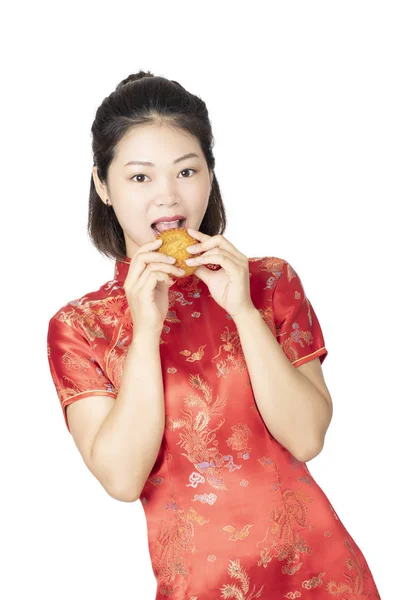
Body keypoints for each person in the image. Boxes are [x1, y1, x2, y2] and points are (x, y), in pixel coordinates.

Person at [46, 70, 381, 599]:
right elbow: (122, 478)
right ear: (102, 186)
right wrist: (146, 325)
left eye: (186, 171)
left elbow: (307, 437)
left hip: (324, 578)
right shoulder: (82, 326)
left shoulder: (268, 282)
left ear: (209, 175)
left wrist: (244, 311)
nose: (167, 196)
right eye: (140, 178)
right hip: (201, 587)